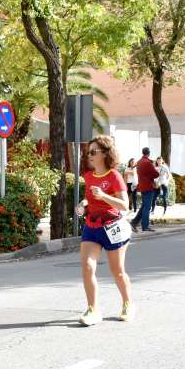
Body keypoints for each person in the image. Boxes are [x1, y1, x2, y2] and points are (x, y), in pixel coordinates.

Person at [76, 134, 132, 326]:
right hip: (92, 226)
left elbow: (124, 204)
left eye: (93, 152)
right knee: (87, 266)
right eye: (88, 152)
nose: (89, 155)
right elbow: (88, 197)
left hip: (113, 227)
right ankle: (93, 309)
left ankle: (128, 303)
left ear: (105, 154)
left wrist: (103, 197)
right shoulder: (89, 176)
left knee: (117, 271)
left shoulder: (114, 176)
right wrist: (83, 204)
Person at [131, 147, 159, 233]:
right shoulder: (148, 162)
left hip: (142, 186)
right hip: (148, 187)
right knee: (147, 207)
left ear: (143, 153)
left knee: (144, 206)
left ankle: (134, 222)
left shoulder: (139, 162)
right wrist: (153, 166)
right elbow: (156, 174)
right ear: (149, 153)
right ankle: (145, 226)